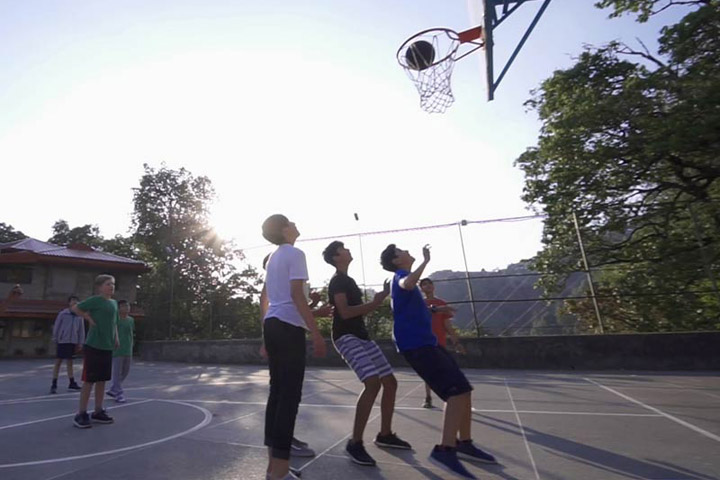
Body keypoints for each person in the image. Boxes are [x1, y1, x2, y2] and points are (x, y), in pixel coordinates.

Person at [380, 244, 496, 479]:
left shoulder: (407, 283)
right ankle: (444, 450)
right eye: (401, 250)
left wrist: (437, 310)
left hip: (428, 343)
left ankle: (464, 443)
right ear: (396, 260)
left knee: (464, 390)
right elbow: (408, 284)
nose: (406, 250)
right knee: (455, 392)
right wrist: (425, 261)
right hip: (417, 345)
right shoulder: (400, 277)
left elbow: (415, 307)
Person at [322, 240, 411, 466]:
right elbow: (344, 312)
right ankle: (355, 443)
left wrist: (377, 300)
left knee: (389, 382)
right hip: (346, 337)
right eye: (342, 248)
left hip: (361, 336)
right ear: (336, 257)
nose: (348, 249)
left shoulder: (348, 280)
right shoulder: (338, 281)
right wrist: (376, 302)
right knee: (372, 382)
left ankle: (385, 435)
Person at [260, 214, 327, 480]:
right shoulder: (295, 254)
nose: (297, 224)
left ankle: (274, 467)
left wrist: (265, 337)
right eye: (292, 221)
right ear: (285, 229)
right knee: (289, 398)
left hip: (274, 325)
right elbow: (297, 296)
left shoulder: (274, 257)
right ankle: (279, 472)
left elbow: (266, 301)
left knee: (277, 395)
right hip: (289, 328)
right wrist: (317, 333)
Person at [71, 274, 119, 429]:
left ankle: (98, 411)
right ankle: (81, 413)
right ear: (99, 287)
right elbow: (75, 308)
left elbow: (114, 322)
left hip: (107, 346)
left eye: (112, 284)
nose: (111, 286)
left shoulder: (114, 303)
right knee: (89, 381)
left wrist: (116, 338)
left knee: (102, 380)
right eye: (107, 284)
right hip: (93, 346)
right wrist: (87, 317)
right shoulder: (95, 300)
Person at [419, 278, 466, 409]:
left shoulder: (441, 303)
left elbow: (448, 325)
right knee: (428, 371)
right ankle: (428, 397)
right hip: (425, 342)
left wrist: (456, 342)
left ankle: (450, 396)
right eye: (424, 284)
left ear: (433, 286)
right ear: (421, 288)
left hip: (440, 342)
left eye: (429, 284)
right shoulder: (419, 303)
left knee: (445, 370)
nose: (427, 286)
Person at [50, 295, 85, 394]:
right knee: (58, 362)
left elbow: (81, 331)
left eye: (76, 301)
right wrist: (56, 338)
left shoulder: (79, 316)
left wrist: (80, 342)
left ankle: (71, 382)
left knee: (70, 362)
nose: (74, 303)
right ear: (69, 303)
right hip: (62, 341)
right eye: (72, 301)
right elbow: (57, 326)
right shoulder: (63, 314)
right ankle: (54, 383)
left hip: (72, 341)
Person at [106, 300, 134, 403]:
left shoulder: (131, 320)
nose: (126, 308)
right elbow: (111, 332)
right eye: (124, 306)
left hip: (128, 349)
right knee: (117, 373)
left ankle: (114, 388)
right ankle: (119, 393)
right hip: (117, 349)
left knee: (126, 371)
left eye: (128, 305)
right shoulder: (115, 319)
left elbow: (130, 333)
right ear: (119, 308)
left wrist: (131, 345)